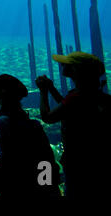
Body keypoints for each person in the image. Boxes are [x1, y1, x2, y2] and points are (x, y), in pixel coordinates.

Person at [36, 51, 111, 198]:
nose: (62, 64)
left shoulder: (77, 97)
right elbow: (67, 108)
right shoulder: (92, 94)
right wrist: (51, 88)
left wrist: (43, 92)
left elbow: (48, 117)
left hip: (79, 160)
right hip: (96, 157)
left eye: (66, 64)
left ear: (76, 70)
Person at [0, 74, 60, 198]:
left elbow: (7, 156)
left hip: (18, 184)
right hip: (37, 183)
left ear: (2, 92)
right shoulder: (34, 124)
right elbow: (46, 155)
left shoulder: (4, 121)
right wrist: (47, 184)